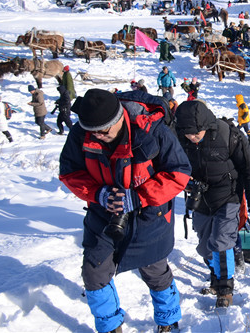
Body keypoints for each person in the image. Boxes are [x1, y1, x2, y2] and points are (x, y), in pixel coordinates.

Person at [59, 88, 191, 333]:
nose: (98, 136)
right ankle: (110, 326)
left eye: (104, 130)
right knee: (94, 272)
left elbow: (179, 172)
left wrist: (138, 197)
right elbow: (69, 172)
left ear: (119, 117)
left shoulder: (151, 130)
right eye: (93, 132)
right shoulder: (82, 132)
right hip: (104, 214)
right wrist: (98, 194)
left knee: (155, 272)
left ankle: (168, 320)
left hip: (150, 215)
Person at [173, 100, 250, 308]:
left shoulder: (227, 134)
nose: (192, 137)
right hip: (200, 199)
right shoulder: (179, 138)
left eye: (196, 133)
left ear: (205, 125)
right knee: (205, 247)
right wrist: (186, 183)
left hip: (228, 197)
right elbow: (172, 167)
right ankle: (216, 274)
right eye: (188, 134)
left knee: (221, 242)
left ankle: (225, 288)